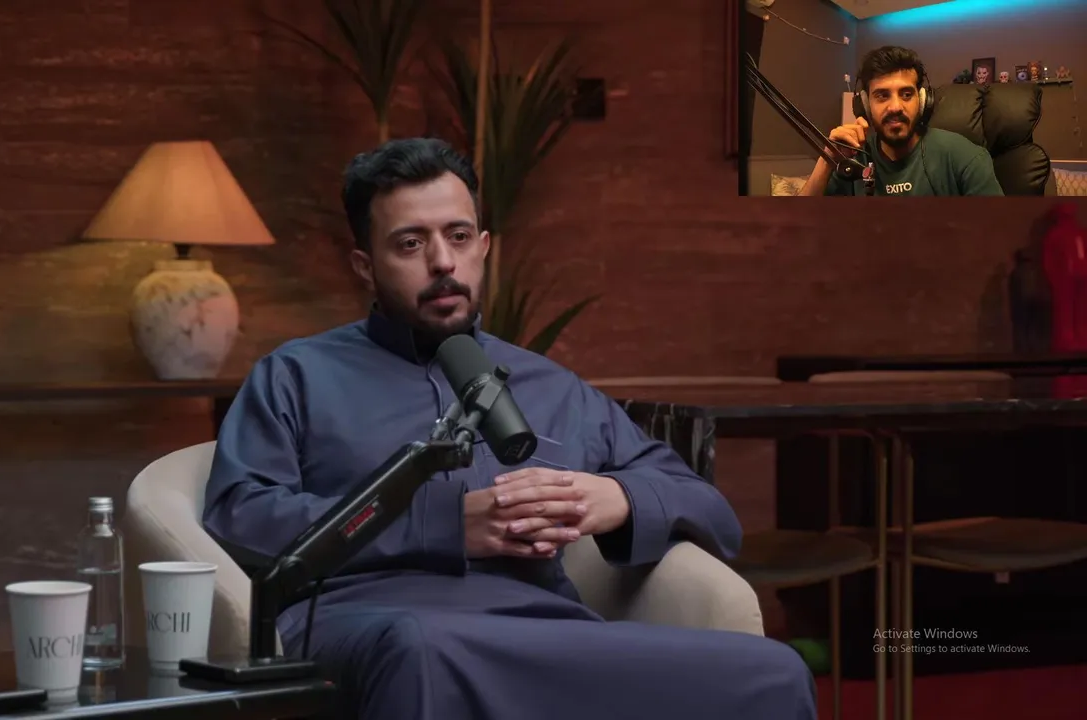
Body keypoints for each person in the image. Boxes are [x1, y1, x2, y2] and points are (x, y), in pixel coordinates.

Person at [204, 137, 816, 720]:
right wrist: (446, 524)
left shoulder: (551, 387)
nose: (443, 262)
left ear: (484, 246)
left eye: (458, 236)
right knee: (421, 649)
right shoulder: (297, 375)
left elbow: (712, 513)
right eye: (410, 243)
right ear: (365, 265)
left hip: (541, 628)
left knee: (774, 672)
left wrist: (616, 498)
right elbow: (241, 517)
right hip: (369, 621)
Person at [799, 45, 1005, 196]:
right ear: (865, 105)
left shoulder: (965, 157)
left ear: (923, 101)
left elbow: (998, 232)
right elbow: (795, 223)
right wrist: (827, 160)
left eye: (906, 94)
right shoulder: (853, 158)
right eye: (882, 95)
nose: (895, 107)